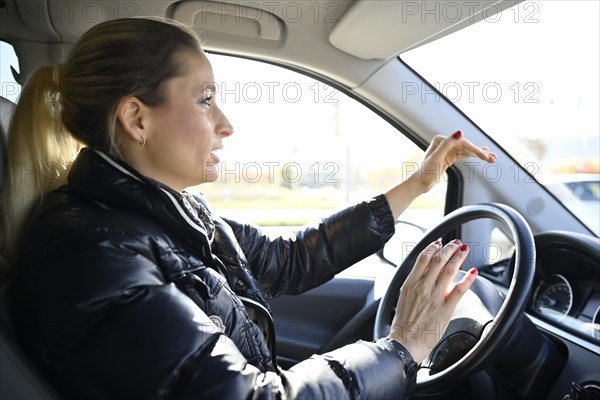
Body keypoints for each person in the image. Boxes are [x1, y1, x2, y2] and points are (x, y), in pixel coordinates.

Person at [0, 17, 497, 399]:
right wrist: (404, 346)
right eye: (205, 99)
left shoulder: (165, 213)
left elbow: (291, 259)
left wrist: (418, 184)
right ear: (135, 117)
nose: (226, 124)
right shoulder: (91, 252)